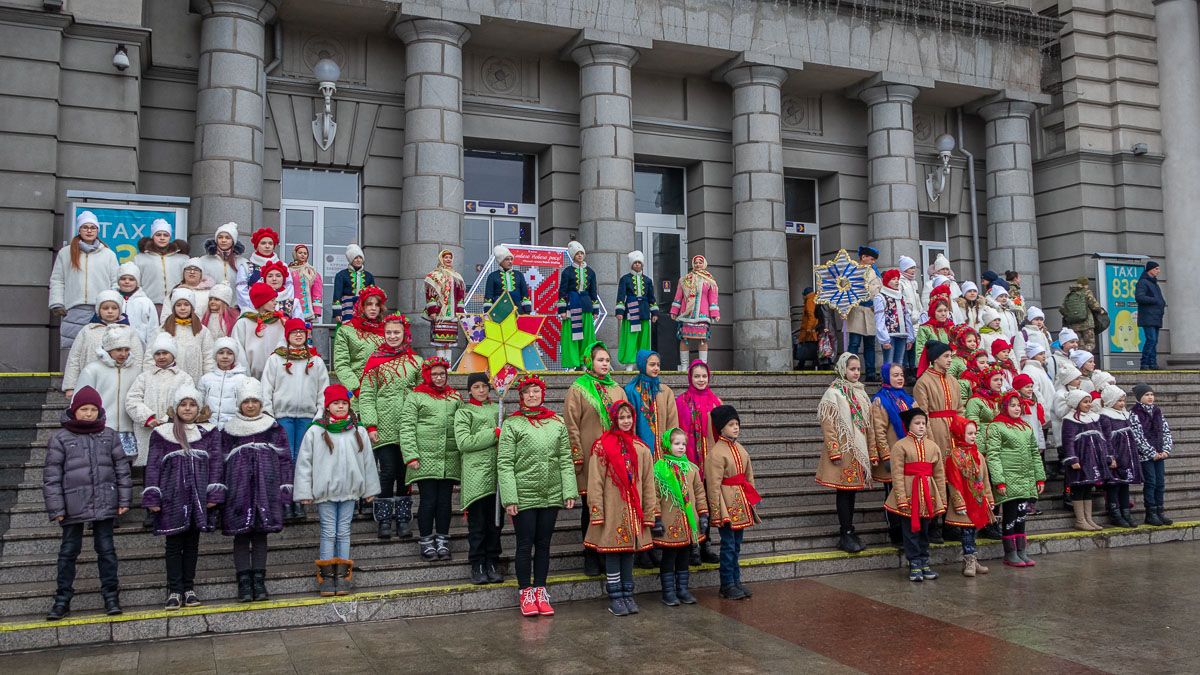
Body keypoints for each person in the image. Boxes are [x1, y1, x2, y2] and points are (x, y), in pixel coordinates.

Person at [42, 386, 131, 620]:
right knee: (68, 552)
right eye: (84, 409)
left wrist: (123, 499)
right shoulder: (60, 437)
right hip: (72, 506)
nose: (89, 413)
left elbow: (122, 470)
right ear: (74, 410)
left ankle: (111, 596)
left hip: (104, 502)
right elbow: (52, 477)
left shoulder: (109, 435)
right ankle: (62, 600)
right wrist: (57, 508)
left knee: (107, 551)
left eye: (93, 409)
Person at [498, 375, 577, 617]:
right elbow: (505, 463)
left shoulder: (556, 422)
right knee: (525, 544)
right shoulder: (513, 424)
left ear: (543, 394)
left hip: (550, 492)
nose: (533, 395)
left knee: (543, 545)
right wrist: (510, 497)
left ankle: (541, 589)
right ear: (521, 397)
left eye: (536, 391)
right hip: (524, 494)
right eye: (528, 392)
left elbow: (565, 458)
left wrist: (569, 490)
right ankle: (526, 591)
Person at [142, 384, 224, 610]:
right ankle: (174, 589)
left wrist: (214, 492)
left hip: (197, 497)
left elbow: (216, 464)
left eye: (192, 404)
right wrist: (153, 497)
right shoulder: (162, 433)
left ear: (199, 408)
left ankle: (189, 587)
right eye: (183, 404)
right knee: (173, 544)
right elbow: (153, 467)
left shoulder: (209, 432)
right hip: (171, 498)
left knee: (192, 544)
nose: (187, 409)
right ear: (175, 407)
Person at [294, 385, 380, 596]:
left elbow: (368, 462)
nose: (340, 406)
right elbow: (305, 463)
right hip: (326, 492)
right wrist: (305, 492)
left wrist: (370, 488)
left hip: (350, 491)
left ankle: (342, 574)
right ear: (327, 406)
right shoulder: (316, 431)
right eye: (335, 403)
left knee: (343, 532)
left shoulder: (357, 430)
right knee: (328, 532)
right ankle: (326, 575)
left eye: (343, 403)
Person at [218, 379, 292, 602]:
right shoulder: (229, 430)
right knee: (241, 537)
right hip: (238, 492)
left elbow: (285, 460)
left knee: (260, 535)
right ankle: (244, 581)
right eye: (246, 402)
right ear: (240, 404)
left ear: (261, 403)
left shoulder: (273, 428)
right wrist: (221, 492)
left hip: (265, 490)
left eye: (254, 401)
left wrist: (285, 489)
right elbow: (219, 463)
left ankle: (259, 580)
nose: (250, 405)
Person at [585, 400, 658, 616]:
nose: (625, 421)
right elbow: (595, 481)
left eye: (629, 417)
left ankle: (628, 593)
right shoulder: (602, 446)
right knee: (613, 552)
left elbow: (647, 483)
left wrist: (649, 511)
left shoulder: (642, 448)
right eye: (621, 418)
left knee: (629, 553)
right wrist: (597, 510)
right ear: (614, 420)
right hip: (612, 508)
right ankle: (615, 596)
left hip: (633, 511)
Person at [563, 341, 628, 575]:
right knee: (591, 507)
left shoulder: (617, 389)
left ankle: (607, 552)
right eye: (600, 360)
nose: (605, 364)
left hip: (614, 458)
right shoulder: (578, 388)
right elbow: (571, 424)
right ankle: (590, 555)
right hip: (591, 459)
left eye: (607, 360)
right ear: (589, 361)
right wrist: (577, 455)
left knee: (611, 506)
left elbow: (626, 421)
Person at [357, 314, 421, 539]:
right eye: (389, 333)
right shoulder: (375, 361)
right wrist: (371, 424)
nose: (392, 336)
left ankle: (403, 518)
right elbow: (366, 396)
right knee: (387, 472)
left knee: (405, 474)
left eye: (397, 333)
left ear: (404, 334)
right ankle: (384, 518)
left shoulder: (415, 362)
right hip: (383, 427)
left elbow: (423, 394)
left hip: (408, 427)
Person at [261, 319, 329, 522]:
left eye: (302, 332)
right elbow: (267, 387)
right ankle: (285, 500)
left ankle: (299, 499)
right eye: (294, 332)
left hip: (307, 417)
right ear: (287, 335)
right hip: (283, 415)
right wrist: (268, 412)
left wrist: (319, 414)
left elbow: (323, 390)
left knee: (302, 458)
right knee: (286, 457)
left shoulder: (315, 360)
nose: (299, 335)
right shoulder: (276, 359)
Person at [399, 357, 462, 561]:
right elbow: (407, 427)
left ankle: (442, 539)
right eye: (434, 374)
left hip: (449, 457)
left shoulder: (455, 397)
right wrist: (411, 455)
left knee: (444, 502)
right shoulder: (416, 397)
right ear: (427, 375)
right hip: (424, 458)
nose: (439, 378)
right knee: (428, 501)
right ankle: (426, 540)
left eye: (442, 374)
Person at [817, 352, 878, 553]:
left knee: (852, 493)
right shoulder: (833, 393)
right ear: (843, 369)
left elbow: (868, 425)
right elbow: (828, 424)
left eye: (858, 369)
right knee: (843, 492)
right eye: (852, 369)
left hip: (857, 450)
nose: (856, 373)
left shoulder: (861, 393)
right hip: (843, 450)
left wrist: (872, 450)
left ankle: (850, 530)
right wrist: (834, 450)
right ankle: (845, 532)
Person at [882, 407, 946, 582]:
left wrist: (941, 498)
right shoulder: (900, 446)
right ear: (909, 425)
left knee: (925, 529)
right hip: (910, 493)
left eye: (923, 423)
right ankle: (914, 563)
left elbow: (939, 474)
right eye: (917, 423)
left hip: (927, 493)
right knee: (910, 530)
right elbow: (897, 474)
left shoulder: (933, 447)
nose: (921, 426)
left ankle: (924, 560)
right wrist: (901, 498)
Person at [982, 390, 1044, 567]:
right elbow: (993, 455)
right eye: (1013, 405)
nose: (1017, 409)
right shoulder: (996, 426)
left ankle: (1021, 550)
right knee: (1010, 516)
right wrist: (999, 481)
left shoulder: (1025, 427)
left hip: (1025, 479)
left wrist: (1039, 478)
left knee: (1021, 516)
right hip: (1008, 479)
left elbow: (1034, 452)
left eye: (1019, 405)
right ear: (1004, 407)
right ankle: (1010, 552)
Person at [706, 404, 761, 600]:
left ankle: (736, 580)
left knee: (736, 545)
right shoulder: (716, 454)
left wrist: (750, 500)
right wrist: (717, 511)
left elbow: (748, 476)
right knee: (728, 545)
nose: (736, 427)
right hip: (726, 505)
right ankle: (726, 584)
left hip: (740, 503)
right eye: (731, 424)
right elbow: (713, 485)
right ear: (721, 428)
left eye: (737, 423)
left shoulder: (740, 449)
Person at [455, 372, 503, 584]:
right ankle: (477, 563)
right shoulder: (464, 412)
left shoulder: (498, 409)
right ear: (469, 390)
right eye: (476, 387)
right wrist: (494, 433)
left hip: (497, 475)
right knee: (478, 524)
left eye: (484, 386)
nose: (481, 390)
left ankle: (492, 561)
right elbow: (464, 442)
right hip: (476, 476)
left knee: (496, 523)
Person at [49, 211, 121, 352]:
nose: (89, 230)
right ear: (79, 230)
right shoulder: (65, 253)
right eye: (85, 227)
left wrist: (113, 304)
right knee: (74, 352)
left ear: (97, 230)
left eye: (93, 227)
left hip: (101, 310)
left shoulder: (108, 254)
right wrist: (57, 303)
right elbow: (58, 280)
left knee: (100, 350)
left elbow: (115, 282)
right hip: (74, 309)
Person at [653, 427, 708, 606]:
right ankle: (668, 591)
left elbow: (699, 492)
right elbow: (654, 495)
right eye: (677, 443)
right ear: (667, 445)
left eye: (684, 444)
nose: (681, 447)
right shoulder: (660, 469)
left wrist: (703, 514)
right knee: (669, 557)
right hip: (670, 523)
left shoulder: (691, 468)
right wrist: (656, 517)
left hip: (688, 525)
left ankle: (682, 589)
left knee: (684, 557)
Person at [675, 359, 722, 564]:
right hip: (689, 461)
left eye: (704, 376)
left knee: (708, 505)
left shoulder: (716, 402)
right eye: (697, 376)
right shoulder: (681, 401)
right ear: (690, 378)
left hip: (710, 463)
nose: (701, 380)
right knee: (691, 504)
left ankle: (706, 545)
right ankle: (692, 546)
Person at [126, 333, 195, 473]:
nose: (161, 356)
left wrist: (167, 419)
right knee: (150, 469)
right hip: (148, 431)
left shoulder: (184, 378)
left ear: (173, 355)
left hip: (175, 429)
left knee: (172, 468)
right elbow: (132, 400)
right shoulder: (144, 377)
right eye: (157, 353)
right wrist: (148, 418)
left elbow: (188, 401)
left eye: (165, 353)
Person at [62, 289, 144, 398]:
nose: (110, 311)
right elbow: (74, 357)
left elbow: (137, 358)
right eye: (105, 308)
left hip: (120, 385)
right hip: (90, 382)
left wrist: (137, 384)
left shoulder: (128, 331)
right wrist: (70, 386)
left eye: (114, 308)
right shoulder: (87, 330)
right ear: (98, 310)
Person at [77, 326, 141, 459]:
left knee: (124, 466)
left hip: (127, 428)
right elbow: (79, 400)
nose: (123, 354)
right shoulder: (92, 370)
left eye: (126, 349)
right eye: (118, 350)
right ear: (108, 349)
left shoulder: (135, 370)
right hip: (101, 427)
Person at [870, 362, 914, 545]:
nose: (900, 378)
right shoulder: (881, 400)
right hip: (892, 455)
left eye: (901, 375)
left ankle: (908, 529)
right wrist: (886, 455)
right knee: (892, 493)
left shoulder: (908, 399)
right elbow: (879, 431)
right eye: (895, 375)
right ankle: (895, 532)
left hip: (908, 454)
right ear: (886, 377)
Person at [944, 416, 992, 577]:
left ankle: (972, 559)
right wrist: (958, 502)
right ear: (960, 434)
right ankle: (969, 559)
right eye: (969, 433)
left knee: (974, 531)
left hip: (977, 499)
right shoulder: (954, 456)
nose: (973, 436)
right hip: (965, 500)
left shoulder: (977, 453)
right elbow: (953, 482)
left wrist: (989, 498)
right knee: (966, 532)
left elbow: (985, 479)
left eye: (975, 433)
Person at [1060, 389, 1107, 531]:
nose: (1089, 404)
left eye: (1089, 401)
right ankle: (1080, 520)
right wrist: (1073, 459)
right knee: (1079, 489)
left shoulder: (1093, 417)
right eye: (1085, 402)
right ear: (1076, 403)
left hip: (1091, 458)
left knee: (1088, 488)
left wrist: (1102, 455)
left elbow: (1101, 437)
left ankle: (1089, 518)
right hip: (1080, 460)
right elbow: (1068, 441)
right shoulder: (1070, 419)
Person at [331, 285, 388, 402]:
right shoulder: (346, 331)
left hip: (384, 393)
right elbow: (341, 364)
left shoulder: (387, 331)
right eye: (369, 304)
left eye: (377, 305)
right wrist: (357, 389)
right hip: (357, 393)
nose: (373, 308)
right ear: (362, 306)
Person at [148, 288, 216, 383]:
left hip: (194, 382)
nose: (182, 308)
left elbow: (209, 359)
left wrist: (208, 381)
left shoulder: (202, 331)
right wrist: (151, 378)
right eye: (178, 305)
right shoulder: (162, 329)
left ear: (192, 307)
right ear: (173, 307)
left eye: (186, 304)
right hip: (167, 382)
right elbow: (150, 356)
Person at [1097, 384, 1141, 528]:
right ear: (1110, 401)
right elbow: (1106, 439)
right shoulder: (1105, 416)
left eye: (1123, 400)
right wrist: (1110, 457)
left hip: (1126, 455)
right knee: (1114, 486)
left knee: (1124, 486)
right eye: (1119, 401)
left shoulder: (1124, 414)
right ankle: (1115, 513)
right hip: (1116, 457)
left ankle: (1126, 513)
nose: (1122, 403)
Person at [1130, 383, 1173, 525]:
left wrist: (1166, 449)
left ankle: (1160, 511)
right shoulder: (1134, 413)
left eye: (1151, 394)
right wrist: (1151, 452)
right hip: (1146, 456)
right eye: (1146, 395)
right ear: (1139, 397)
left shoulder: (1157, 411)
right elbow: (1138, 437)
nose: (1150, 397)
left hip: (1160, 453)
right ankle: (1151, 513)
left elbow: (1166, 431)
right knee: (1151, 482)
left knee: (1160, 483)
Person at [624, 350, 680, 457]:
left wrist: (673, 444)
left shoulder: (665, 391)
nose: (656, 368)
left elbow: (672, 420)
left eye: (658, 365)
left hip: (663, 450)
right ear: (642, 364)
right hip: (639, 448)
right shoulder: (631, 390)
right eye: (652, 365)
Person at [670, 254, 721, 365]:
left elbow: (713, 298)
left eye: (700, 262)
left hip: (702, 314)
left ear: (704, 264)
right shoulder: (684, 280)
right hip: (686, 314)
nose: (698, 264)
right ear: (693, 264)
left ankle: (703, 365)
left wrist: (715, 313)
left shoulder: (710, 281)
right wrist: (674, 311)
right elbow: (679, 296)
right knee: (684, 339)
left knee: (703, 339)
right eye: (696, 262)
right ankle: (684, 366)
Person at [558, 241, 600, 369]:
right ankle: (572, 363)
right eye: (577, 254)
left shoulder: (591, 272)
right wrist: (562, 310)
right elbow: (562, 291)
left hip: (586, 306)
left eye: (582, 253)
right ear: (573, 256)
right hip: (572, 306)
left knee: (587, 337)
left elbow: (593, 292)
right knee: (571, 337)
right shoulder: (567, 272)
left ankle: (585, 363)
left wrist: (595, 311)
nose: (580, 255)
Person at [231, 282, 286, 379]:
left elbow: (284, 346)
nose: (275, 303)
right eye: (272, 300)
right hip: (250, 377)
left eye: (275, 300)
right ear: (262, 301)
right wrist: (245, 376)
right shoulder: (244, 322)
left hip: (276, 377)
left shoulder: (279, 322)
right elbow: (238, 350)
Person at [845, 246, 882, 381]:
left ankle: (871, 373)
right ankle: (848, 371)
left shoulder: (875, 272)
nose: (873, 262)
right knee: (854, 343)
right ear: (863, 257)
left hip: (870, 311)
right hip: (857, 310)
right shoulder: (853, 270)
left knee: (870, 344)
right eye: (871, 259)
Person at [134, 219, 190, 310]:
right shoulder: (140, 259)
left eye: (166, 235)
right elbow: (136, 283)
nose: (162, 238)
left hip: (177, 304)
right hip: (149, 303)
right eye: (158, 235)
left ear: (170, 237)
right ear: (153, 236)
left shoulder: (183, 259)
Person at [615, 250, 658, 367]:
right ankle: (630, 363)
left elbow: (651, 298)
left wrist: (654, 313)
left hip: (644, 311)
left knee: (644, 339)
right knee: (631, 338)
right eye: (635, 263)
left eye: (639, 262)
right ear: (631, 264)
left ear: (642, 264)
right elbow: (621, 296)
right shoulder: (625, 279)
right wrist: (619, 311)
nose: (637, 264)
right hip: (631, 311)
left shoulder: (648, 280)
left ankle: (642, 363)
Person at [197, 337, 250, 429]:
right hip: (209, 426)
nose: (225, 356)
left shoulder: (242, 379)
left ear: (235, 356)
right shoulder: (206, 379)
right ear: (215, 355)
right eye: (221, 353)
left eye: (229, 353)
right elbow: (199, 403)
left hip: (232, 427)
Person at [235, 227, 293, 311]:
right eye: (263, 243)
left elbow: (289, 289)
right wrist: (253, 309)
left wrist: (280, 309)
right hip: (254, 311)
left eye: (270, 243)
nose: (267, 246)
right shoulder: (246, 266)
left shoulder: (283, 266)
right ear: (256, 246)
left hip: (280, 311)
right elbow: (241, 291)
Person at [423, 248, 466, 362]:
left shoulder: (457, 276)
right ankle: (440, 364)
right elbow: (430, 294)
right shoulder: (434, 275)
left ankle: (448, 367)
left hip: (452, 314)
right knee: (439, 341)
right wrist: (432, 310)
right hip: (439, 314)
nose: (448, 259)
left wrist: (460, 311)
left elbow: (460, 296)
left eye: (450, 257)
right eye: (446, 257)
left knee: (449, 341)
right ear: (441, 259)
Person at [873, 269, 914, 368]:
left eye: (897, 279)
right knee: (889, 362)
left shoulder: (901, 297)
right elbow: (879, 319)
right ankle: (887, 382)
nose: (896, 281)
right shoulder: (881, 297)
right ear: (887, 281)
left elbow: (906, 317)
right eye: (893, 279)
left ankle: (896, 382)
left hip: (902, 334)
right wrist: (884, 339)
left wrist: (910, 337)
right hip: (889, 335)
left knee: (899, 363)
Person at [115, 262, 159, 348]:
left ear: (137, 282)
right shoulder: (113, 300)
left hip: (140, 348)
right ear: (118, 281)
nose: (127, 282)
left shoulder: (145, 302)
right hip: (116, 348)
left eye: (131, 279)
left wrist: (150, 354)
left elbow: (153, 330)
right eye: (123, 278)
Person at [158, 258, 214, 323]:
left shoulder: (209, 295)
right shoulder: (174, 293)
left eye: (196, 269)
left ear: (201, 274)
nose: (192, 272)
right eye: (188, 269)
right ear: (183, 273)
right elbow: (165, 318)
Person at [483, 244, 531, 316]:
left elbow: (525, 293)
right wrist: (488, 313)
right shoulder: (492, 276)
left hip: (517, 311)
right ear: (500, 261)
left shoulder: (519, 275)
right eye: (507, 259)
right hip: (499, 311)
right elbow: (488, 296)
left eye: (511, 259)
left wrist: (527, 311)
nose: (510, 261)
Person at [333, 244, 375, 324]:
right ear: (350, 260)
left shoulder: (369, 276)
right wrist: (337, 312)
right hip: (346, 307)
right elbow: (337, 294)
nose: (358, 260)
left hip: (363, 307)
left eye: (360, 257)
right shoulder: (341, 275)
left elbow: (373, 295)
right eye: (355, 258)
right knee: (348, 328)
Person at [915, 289, 953, 377]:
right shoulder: (925, 328)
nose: (943, 314)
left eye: (945, 310)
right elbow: (920, 352)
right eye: (939, 311)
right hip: (932, 370)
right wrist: (929, 370)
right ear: (933, 312)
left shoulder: (951, 327)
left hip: (951, 368)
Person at [1135, 261, 1165, 370]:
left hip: (1155, 316)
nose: (1158, 271)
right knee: (1151, 339)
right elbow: (1139, 297)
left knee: (1154, 340)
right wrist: (1155, 300)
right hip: (1148, 316)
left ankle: (1152, 364)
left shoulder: (1153, 283)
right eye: (1156, 269)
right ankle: (1144, 363)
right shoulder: (1143, 282)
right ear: (1150, 269)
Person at [1060, 277, 1103, 354]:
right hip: (1087, 324)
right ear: (1085, 284)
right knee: (1090, 343)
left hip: (1074, 325)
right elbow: (1094, 305)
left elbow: (1062, 309)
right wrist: (1101, 311)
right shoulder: (1086, 292)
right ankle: (1084, 359)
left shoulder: (1070, 294)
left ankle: (1078, 360)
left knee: (1078, 344)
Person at [896, 256, 924, 371]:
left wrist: (921, 312)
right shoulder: (900, 282)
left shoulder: (914, 283)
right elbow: (902, 300)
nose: (913, 270)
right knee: (907, 345)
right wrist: (909, 313)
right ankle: (906, 368)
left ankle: (914, 367)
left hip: (916, 320)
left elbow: (917, 299)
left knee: (915, 345)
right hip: (907, 319)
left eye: (914, 268)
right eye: (910, 268)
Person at [199, 222, 245, 289]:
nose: (223, 240)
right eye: (220, 237)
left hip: (235, 299)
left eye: (227, 238)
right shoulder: (203, 260)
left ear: (233, 241)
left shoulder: (242, 262)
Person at [289, 243, 322, 322]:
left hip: (308, 311)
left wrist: (317, 310)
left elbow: (317, 292)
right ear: (295, 254)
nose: (303, 255)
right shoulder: (289, 271)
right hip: (292, 308)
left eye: (305, 253)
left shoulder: (312, 271)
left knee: (307, 332)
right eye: (300, 253)